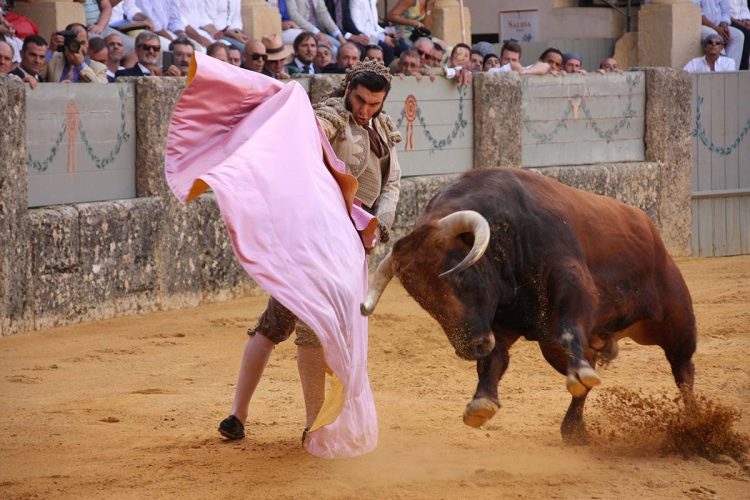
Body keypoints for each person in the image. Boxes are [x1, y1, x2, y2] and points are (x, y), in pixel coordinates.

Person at [218, 58, 401, 443]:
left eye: (374, 104)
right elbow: (309, 136)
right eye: (360, 100)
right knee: (311, 328)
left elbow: (392, 182)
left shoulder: (382, 127)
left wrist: (378, 223)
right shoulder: (332, 114)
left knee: (278, 323)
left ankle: (241, 415)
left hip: (349, 243)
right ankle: (309, 425)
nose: (365, 110)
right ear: (348, 90)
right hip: (315, 237)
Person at [345, 0, 407, 66]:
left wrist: (388, 32)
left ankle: (406, 73)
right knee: (388, 48)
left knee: (401, 44)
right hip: (364, 37)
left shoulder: (372, 1)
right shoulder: (355, 1)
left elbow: (375, 26)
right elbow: (358, 28)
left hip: (374, 35)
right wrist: (383, 38)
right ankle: (384, 73)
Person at [693, 0, 744, 70]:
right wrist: (716, 28)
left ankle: (731, 72)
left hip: (718, 25)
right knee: (715, 37)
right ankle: (719, 71)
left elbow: (725, 12)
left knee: (738, 36)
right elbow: (696, 12)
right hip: (700, 26)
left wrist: (724, 26)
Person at [115, 30, 181, 77]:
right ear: (136, 50)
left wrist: (175, 80)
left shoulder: (166, 76)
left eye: (156, 48)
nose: (151, 51)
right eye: (146, 47)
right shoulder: (123, 75)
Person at [728, 0, 750, 69]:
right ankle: (743, 68)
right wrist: (741, 24)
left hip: (741, 21)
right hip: (729, 21)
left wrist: (747, 21)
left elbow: (744, 9)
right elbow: (724, 13)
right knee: (747, 34)